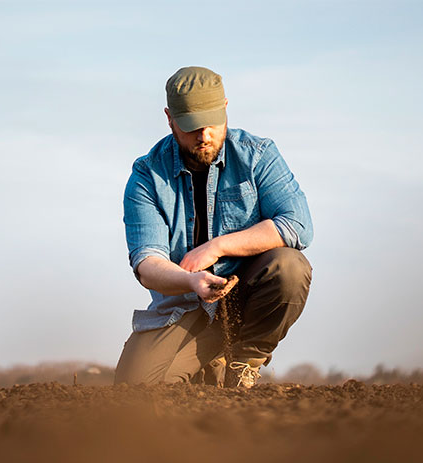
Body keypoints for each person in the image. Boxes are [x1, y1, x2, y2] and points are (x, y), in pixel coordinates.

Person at [116, 66, 313, 388]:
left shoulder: (258, 155)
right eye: (191, 127)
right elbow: (147, 263)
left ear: (225, 107)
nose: (204, 136)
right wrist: (190, 280)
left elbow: (297, 225)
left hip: (244, 297)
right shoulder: (147, 175)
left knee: (289, 266)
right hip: (186, 306)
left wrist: (216, 247)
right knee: (134, 388)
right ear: (170, 118)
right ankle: (208, 361)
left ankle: (245, 359)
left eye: (211, 123)